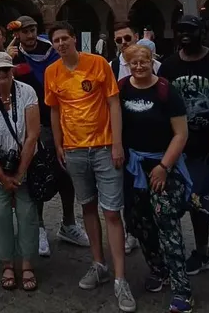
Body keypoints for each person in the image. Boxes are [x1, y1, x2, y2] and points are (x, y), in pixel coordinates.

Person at [45, 21, 135, 312]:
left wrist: (118, 143)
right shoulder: (52, 72)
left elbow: (113, 104)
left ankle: (121, 278)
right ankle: (98, 264)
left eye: (65, 39)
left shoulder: (97, 64)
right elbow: (55, 110)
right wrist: (58, 145)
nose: (61, 44)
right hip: (73, 149)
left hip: (104, 146)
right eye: (56, 41)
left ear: (74, 39)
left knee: (111, 211)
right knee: (87, 206)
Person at [119, 43, 194, 313]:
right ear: (127, 65)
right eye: (133, 63)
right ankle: (158, 268)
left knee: (167, 225)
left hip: (163, 165)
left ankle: (182, 289)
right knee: (138, 222)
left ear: (152, 61)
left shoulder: (165, 91)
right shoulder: (122, 88)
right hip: (134, 167)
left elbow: (180, 134)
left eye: (144, 62)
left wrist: (164, 166)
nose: (139, 67)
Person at [158, 14, 209, 275]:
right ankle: (202, 251)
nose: (185, 35)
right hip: (183, 147)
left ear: (202, 31)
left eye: (190, 30)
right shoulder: (168, 66)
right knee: (194, 200)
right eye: (180, 30)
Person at [7, 15, 87, 256]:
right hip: (35, 123)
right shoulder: (14, 56)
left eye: (32, 30)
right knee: (38, 173)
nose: (30, 36)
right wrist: (7, 60)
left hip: (65, 119)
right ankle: (39, 227)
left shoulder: (54, 51)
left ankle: (69, 223)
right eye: (25, 32)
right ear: (17, 35)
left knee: (67, 172)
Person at [0, 51, 40, 291]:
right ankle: (7, 263)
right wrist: (2, 176)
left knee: (27, 215)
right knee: (1, 216)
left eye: (6, 70)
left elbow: (32, 135)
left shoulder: (27, 92)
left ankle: (27, 263)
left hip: (25, 164)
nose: (2, 75)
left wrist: (20, 172)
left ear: (12, 70)